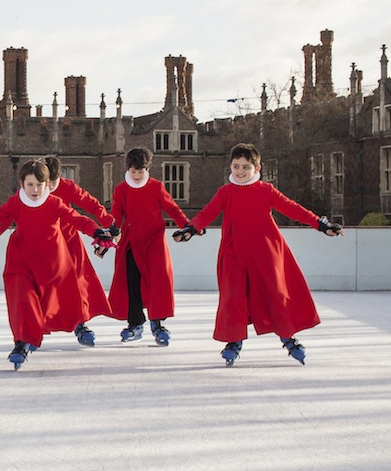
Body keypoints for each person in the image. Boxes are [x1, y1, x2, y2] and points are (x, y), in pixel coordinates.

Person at [173, 142, 343, 366]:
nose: (240, 172)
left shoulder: (265, 190)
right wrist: (190, 229)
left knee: (275, 295)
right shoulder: (225, 192)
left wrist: (321, 225)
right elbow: (207, 213)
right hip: (234, 252)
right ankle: (234, 341)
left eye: (245, 167)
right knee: (233, 297)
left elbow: (293, 208)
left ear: (257, 169)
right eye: (236, 167)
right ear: (230, 168)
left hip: (265, 252)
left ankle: (288, 337)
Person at [0, 159, 114, 368]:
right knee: (22, 301)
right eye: (30, 184)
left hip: (52, 263)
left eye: (39, 184)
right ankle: (21, 344)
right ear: (22, 184)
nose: (35, 190)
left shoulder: (54, 203)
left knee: (58, 304)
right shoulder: (16, 202)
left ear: (47, 185)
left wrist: (97, 231)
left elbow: (77, 219)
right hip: (20, 262)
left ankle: (73, 327)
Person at [107, 146, 191, 346]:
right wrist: (110, 233)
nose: (137, 175)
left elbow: (172, 207)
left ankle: (158, 323)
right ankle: (135, 323)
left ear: (147, 170)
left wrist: (187, 226)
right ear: (128, 169)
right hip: (131, 242)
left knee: (157, 283)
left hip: (154, 242)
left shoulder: (156, 187)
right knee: (132, 282)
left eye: (140, 171)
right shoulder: (121, 189)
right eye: (133, 171)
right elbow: (116, 215)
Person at [43, 155, 117, 347]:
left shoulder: (68, 187)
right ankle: (36, 328)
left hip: (70, 243)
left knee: (78, 285)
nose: (49, 186)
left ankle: (81, 325)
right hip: (46, 245)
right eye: (46, 181)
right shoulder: (36, 188)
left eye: (52, 182)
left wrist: (109, 223)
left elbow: (91, 204)